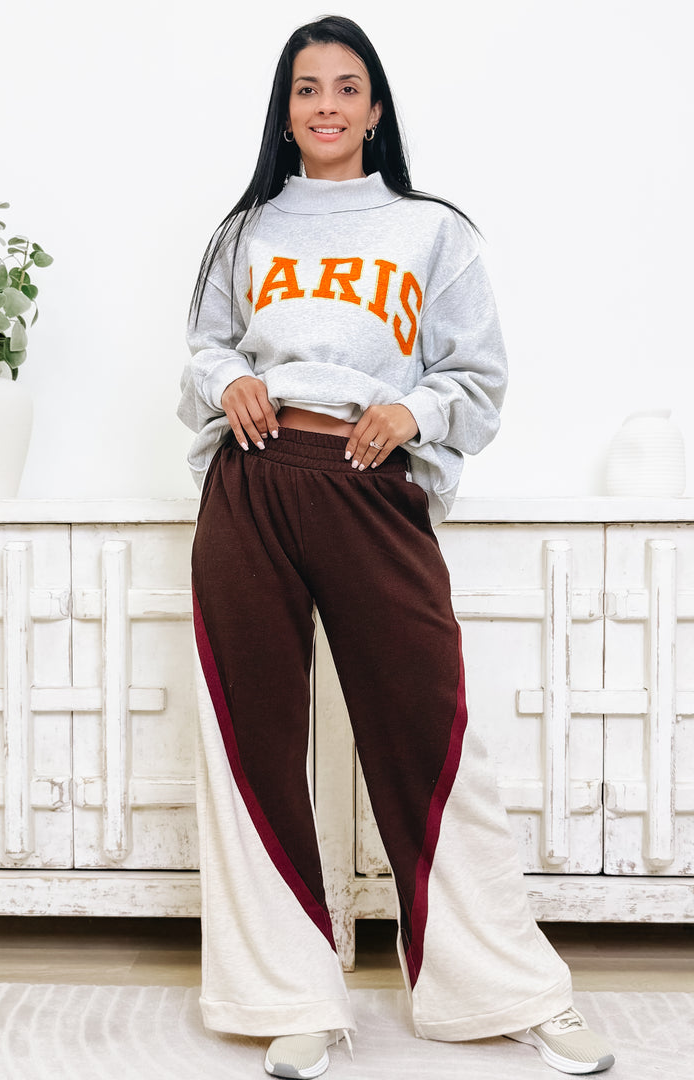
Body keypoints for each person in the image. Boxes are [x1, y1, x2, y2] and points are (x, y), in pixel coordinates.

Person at [178, 15, 615, 1079]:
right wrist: (228, 381)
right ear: (285, 111)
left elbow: (477, 375)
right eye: (306, 89)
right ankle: (288, 997)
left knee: (432, 735)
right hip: (254, 481)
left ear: (375, 108)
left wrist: (414, 411)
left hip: (372, 487)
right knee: (250, 743)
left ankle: (510, 989)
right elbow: (203, 350)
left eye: (346, 87)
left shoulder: (432, 232)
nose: (326, 105)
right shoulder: (245, 232)